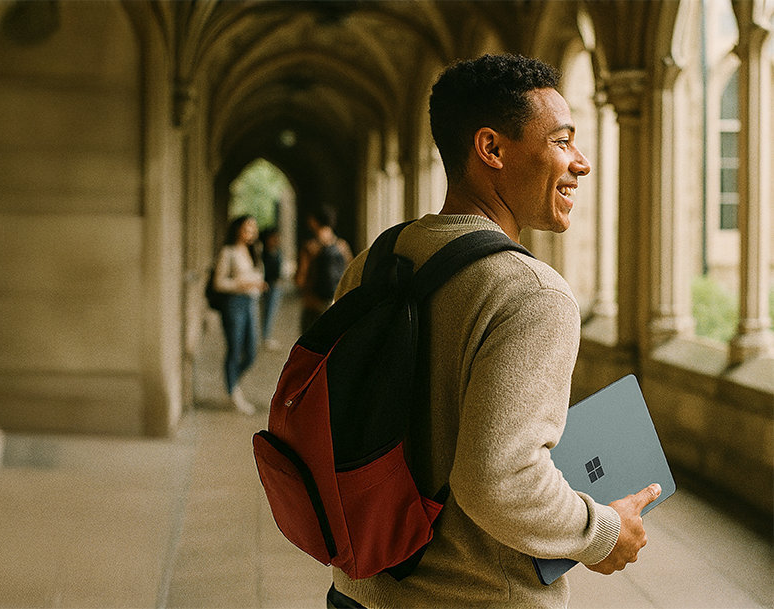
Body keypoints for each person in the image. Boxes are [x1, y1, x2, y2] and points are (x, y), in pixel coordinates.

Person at [326, 54, 661, 608]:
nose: (581, 162)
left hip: (359, 592)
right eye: (561, 141)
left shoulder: (374, 261)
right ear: (492, 149)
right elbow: (498, 481)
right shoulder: (533, 293)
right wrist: (604, 533)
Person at [212, 215, 267, 415]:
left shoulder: (254, 252)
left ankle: (232, 382)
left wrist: (258, 284)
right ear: (237, 229)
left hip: (251, 303)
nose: (251, 232)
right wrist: (241, 284)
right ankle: (233, 392)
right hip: (234, 303)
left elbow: (257, 275)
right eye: (247, 228)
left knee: (251, 351)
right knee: (234, 349)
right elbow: (218, 283)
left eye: (253, 228)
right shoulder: (229, 252)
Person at [295, 206, 353, 332]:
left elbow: (300, 279)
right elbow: (351, 273)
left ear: (314, 221)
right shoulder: (342, 246)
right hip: (336, 304)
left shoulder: (310, 247)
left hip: (313, 305)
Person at [259, 227, 284, 350]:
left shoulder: (277, 252)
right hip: (267, 285)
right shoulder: (263, 253)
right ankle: (264, 337)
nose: (276, 240)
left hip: (276, 286)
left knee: (271, 311)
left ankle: (266, 336)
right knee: (267, 311)